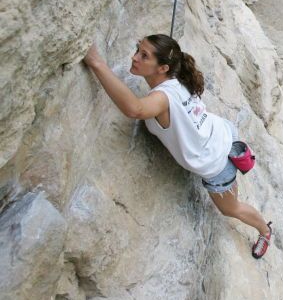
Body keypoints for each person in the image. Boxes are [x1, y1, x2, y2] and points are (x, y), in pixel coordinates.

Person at [83, 34, 272, 258]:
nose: (134, 58)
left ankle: (265, 230)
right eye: (137, 50)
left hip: (217, 163)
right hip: (221, 132)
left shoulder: (162, 99)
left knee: (230, 208)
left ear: (163, 68)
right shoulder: (176, 77)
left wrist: (96, 62)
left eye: (144, 56)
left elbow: (134, 109)